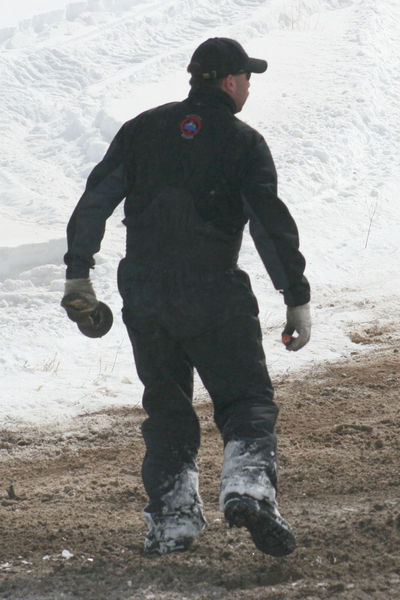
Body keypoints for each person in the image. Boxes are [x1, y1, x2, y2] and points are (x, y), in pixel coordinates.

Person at [62, 37, 311, 557]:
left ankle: (171, 521)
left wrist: (78, 273)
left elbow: (95, 200)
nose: (248, 86)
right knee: (246, 400)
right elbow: (270, 225)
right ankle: (249, 490)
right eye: (246, 77)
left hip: (145, 293)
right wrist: (295, 295)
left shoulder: (142, 129)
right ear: (227, 82)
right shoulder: (243, 142)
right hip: (213, 291)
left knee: (168, 408)